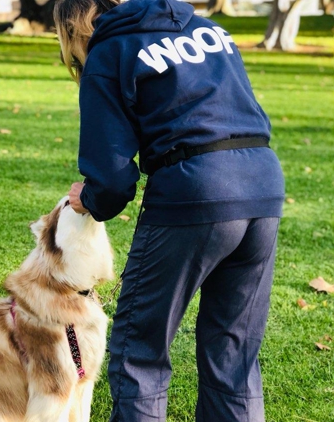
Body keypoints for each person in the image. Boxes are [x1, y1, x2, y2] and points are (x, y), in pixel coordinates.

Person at [54, 0, 285, 420]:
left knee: (139, 349)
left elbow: (111, 178)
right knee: (233, 352)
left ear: (74, 27)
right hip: (263, 184)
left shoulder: (110, 51)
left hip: (194, 189)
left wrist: (88, 199)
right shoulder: (208, 29)